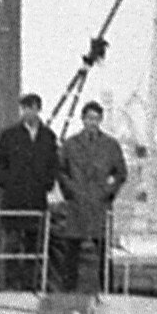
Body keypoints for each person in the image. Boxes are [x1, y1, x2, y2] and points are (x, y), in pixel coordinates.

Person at [0, 92, 60, 291]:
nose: (27, 112)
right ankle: (11, 284)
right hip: (14, 199)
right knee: (11, 244)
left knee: (34, 246)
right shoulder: (9, 135)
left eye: (31, 108)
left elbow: (54, 165)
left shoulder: (48, 137)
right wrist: (9, 183)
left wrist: (46, 183)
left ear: (38, 109)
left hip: (36, 200)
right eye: (25, 108)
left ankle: (31, 283)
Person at [55, 101, 128, 292]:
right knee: (71, 251)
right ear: (83, 119)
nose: (92, 123)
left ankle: (107, 291)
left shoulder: (110, 145)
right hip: (76, 205)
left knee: (103, 252)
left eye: (96, 119)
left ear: (100, 120)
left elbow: (121, 173)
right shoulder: (70, 144)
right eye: (89, 118)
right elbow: (60, 171)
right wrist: (70, 191)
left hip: (99, 205)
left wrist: (108, 192)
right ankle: (68, 292)